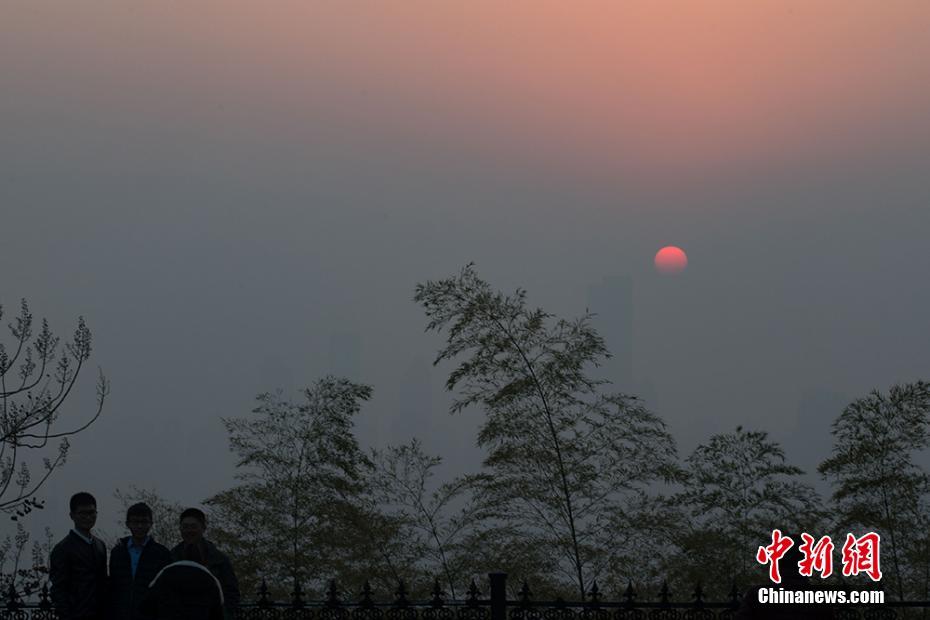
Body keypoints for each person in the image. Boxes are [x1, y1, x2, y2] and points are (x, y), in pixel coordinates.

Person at [169, 508, 239, 617]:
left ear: (203, 528)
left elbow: (231, 592)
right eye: (185, 527)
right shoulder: (170, 558)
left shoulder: (220, 559)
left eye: (193, 526)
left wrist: (224, 615)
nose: (189, 531)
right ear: (180, 529)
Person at [49, 491, 109, 620]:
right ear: (72, 515)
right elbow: (58, 589)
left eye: (91, 513)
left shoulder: (100, 546)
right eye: (82, 513)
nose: (88, 517)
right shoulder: (63, 549)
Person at [109, 502, 172, 620]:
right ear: (127, 524)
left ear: (151, 523)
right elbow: (113, 587)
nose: (139, 526)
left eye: (144, 522)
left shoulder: (162, 553)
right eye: (135, 522)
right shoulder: (117, 552)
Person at [139, 544, 224, 620]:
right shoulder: (210, 580)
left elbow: (147, 606)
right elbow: (217, 613)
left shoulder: (165, 574)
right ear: (202, 560)